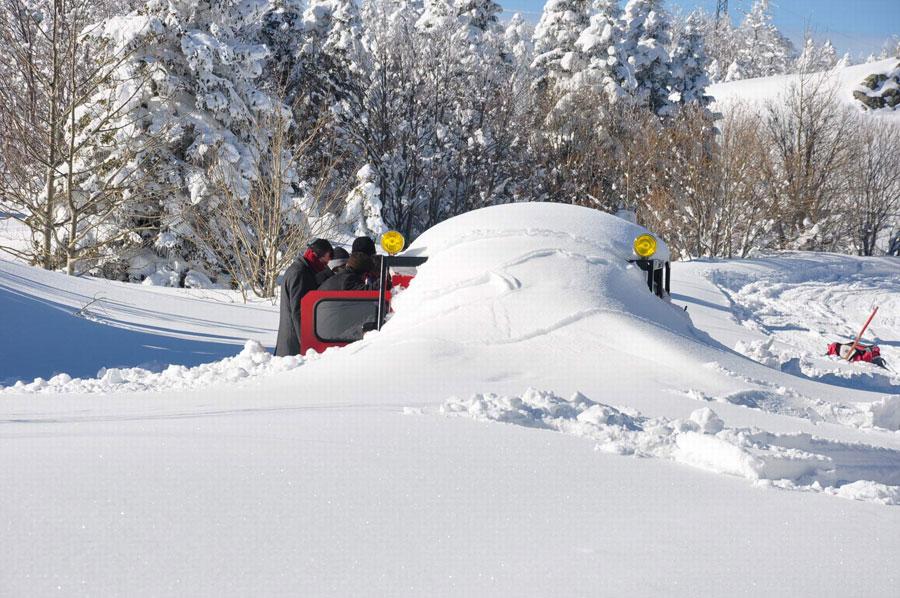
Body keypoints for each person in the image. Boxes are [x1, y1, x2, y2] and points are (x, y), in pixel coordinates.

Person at [275, 238, 333, 356]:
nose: (324, 267)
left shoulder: (303, 270)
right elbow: (299, 312)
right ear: (315, 256)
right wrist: (308, 347)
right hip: (294, 349)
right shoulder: (300, 273)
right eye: (324, 263)